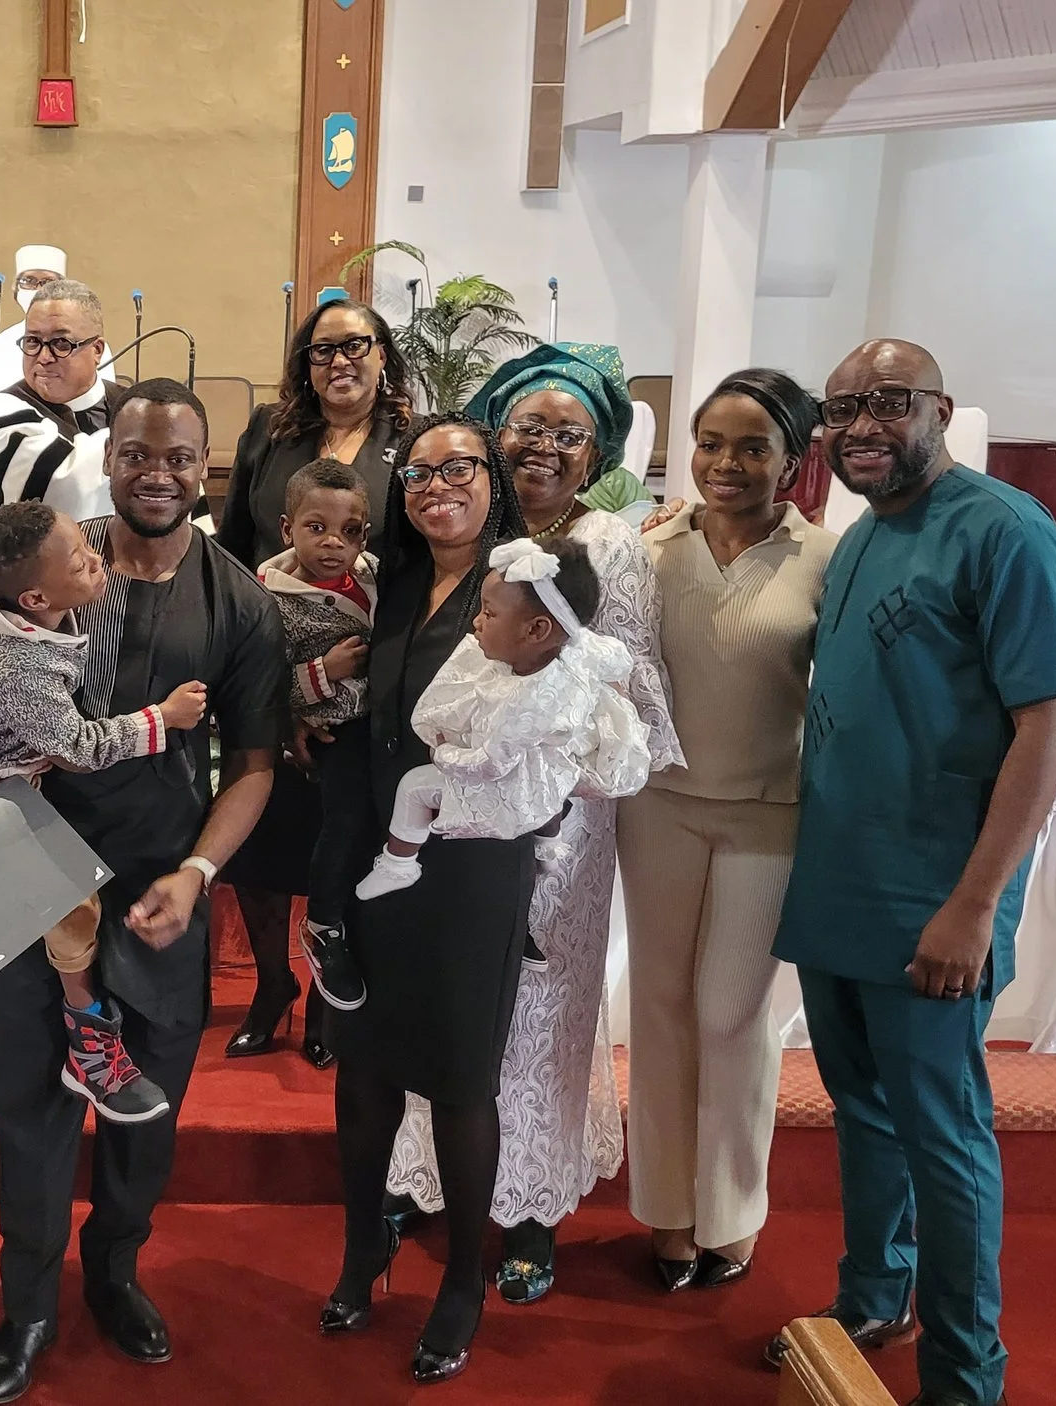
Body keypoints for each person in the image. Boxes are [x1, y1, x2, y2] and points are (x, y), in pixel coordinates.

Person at [765, 340, 1056, 1406]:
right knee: (861, 1106)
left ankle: (963, 1368)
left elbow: (1049, 723)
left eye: (887, 404)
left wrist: (975, 903)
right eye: (843, 406)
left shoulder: (1002, 530)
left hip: (933, 897)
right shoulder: (859, 537)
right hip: (838, 881)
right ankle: (873, 1293)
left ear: (939, 409)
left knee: (943, 1131)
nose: (861, 425)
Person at [0, 380, 285, 1405]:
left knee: (146, 1110)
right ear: (110, 456)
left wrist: (197, 876)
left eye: (180, 456)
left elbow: (253, 763)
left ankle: (113, 1269)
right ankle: (25, 1308)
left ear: (207, 468)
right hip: (22, 862)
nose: (158, 472)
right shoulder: (36, 566)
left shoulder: (236, 598)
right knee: (26, 1105)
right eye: (139, 453)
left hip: (159, 882)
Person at [385, 341, 682, 1303]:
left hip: (563, 819)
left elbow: (622, 684)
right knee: (455, 995)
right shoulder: (485, 536)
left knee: (541, 1009)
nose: (545, 446)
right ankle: (436, 1177)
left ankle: (529, 1211)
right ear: (494, 431)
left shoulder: (608, 546)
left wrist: (543, 785)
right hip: (468, 807)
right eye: (527, 426)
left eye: (571, 434)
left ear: (597, 457)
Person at [315, 415, 533, 1387]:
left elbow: (565, 728)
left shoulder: (527, 585)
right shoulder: (397, 584)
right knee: (359, 1078)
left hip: (469, 870)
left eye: (459, 467)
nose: (437, 484)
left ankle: (461, 1283)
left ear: (494, 479)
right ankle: (365, 1247)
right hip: (373, 860)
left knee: (456, 1083)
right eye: (419, 471)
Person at [620, 368, 836, 1293]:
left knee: (732, 1013)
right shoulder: (651, 548)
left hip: (769, 816)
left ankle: (733, 1212)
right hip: (658, 806)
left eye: (753, 447)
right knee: (660, 1008)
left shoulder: (826, 558)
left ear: (792, 459)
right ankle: (668, 1210)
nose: (726, 463)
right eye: (710, 442)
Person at [0, 501, 208, 1124]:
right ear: (32, 599)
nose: (95, 558)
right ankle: (89, 1045)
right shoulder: (18, 664)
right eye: (79, 563)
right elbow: (80, 750)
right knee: (71, 911)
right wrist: (163, 720)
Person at [216, 298, 414, 1062]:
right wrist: (276, 701)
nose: (340, 362)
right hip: (269, 659)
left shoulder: (411, 440)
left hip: (366, 673)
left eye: (356, 346)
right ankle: (272, 985)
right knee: (261, 843)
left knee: (346, 843)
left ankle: (333, 999)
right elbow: (234, 547)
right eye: (323, 350)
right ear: (305, 363)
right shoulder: (272, 434)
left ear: (382, 354)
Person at [353, 538, 648, 898]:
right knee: (554, 775)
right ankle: (548, 842)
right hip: (552, 765)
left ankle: (399, 863)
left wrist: (444, 754)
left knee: (414, 787)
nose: (477, 621)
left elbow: (491, 763)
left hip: (516, 785)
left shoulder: (526, 705)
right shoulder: (572, 644)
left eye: (489, 613)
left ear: (536, 630)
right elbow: (614, 655)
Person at [255, 459, 379, 1011]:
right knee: (329, 828)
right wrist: (323, 672)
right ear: (288, 529)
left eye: (349, 531)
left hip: (374, 727)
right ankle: (314, 936)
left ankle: (324, 1013)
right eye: (316, 528)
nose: (334, 543)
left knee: (360, 837)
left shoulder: (375, 576)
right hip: (315, 731)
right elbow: (258, 676)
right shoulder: (267, 595)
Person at [0, 280, 186, 529]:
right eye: (33, 342)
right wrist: (158, 433)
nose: (44, 358)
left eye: (61, 344)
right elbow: (66, 483)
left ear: (97, 350)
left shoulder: (131, 404)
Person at [0, 245, 114, 399]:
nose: (45, 357)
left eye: (47, 282)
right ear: (15, 288)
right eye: (29, 280)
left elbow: (102, 401)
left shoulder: (88, 343)